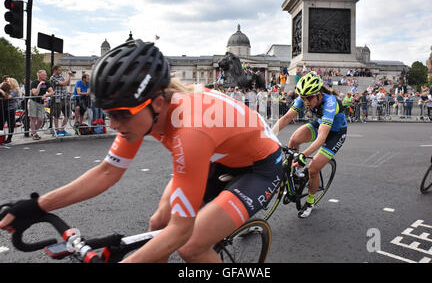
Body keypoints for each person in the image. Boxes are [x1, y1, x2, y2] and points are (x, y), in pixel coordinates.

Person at [0, 39, 283, 263]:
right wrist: (37, 206)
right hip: (221, 154)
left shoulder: (189, 129)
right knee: (158, 223)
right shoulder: (139, 111)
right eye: (109, 113)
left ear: (158, 103)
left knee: (191, 247)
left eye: (120, 115)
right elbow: (107, 172)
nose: (112, 124)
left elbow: (181, 231)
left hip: (260, 166)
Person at [272, 72, 347, 218]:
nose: (306, 101)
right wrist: (269, 134)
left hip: (335, 133)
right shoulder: (304, 98)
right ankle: (298, 174)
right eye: (303, 97)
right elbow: (287, 117)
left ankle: (311, 202)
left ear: (319, 94)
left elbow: (321, 139)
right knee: (294, 140)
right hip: (320, 125)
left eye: (310, 97)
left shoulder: (330, 102)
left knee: (313, 169)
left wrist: (303, 155)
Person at [29, 70, 54, 140]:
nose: (46, 76)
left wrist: (46, 95)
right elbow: (35, 93)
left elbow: (52, 92)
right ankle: (34, 134)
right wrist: (39, 85)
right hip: (33, 102)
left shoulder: (47, 83)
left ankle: (33, 131)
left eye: (46, 75)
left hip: (41, 103)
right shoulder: (34, 83)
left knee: (40, 120)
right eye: (44, 75)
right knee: (33, 119)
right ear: (39, 76)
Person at [50, 65, 74, 136]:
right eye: (59, 70)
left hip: (64, 97)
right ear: (55, 70)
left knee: (68, 114)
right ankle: (57, 131)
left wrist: (69, 77)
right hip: (57, 98)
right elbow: (63, 83)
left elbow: (68, 83)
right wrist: (69, 76)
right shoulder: (52, 78)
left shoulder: (61, 77)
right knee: (56, 115)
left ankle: (62, 129)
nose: (60, 71)